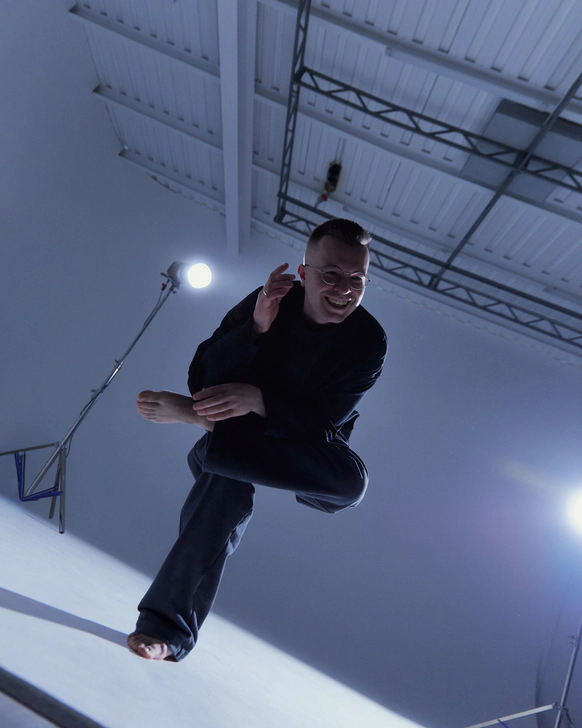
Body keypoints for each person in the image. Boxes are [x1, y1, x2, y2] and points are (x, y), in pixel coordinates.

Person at [127, 218, 387, 661]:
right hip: (236, 445)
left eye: (356, 279)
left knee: (351, 486)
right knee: (225, 486)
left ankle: (208, 426)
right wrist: (256, 328)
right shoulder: (267, 300)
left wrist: (260, 401)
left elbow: (325, 424)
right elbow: (201, 379)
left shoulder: (369, 341)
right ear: (303, 273)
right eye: (331, 275)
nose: (344, 290)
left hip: (298, 446)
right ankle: (165, 630)